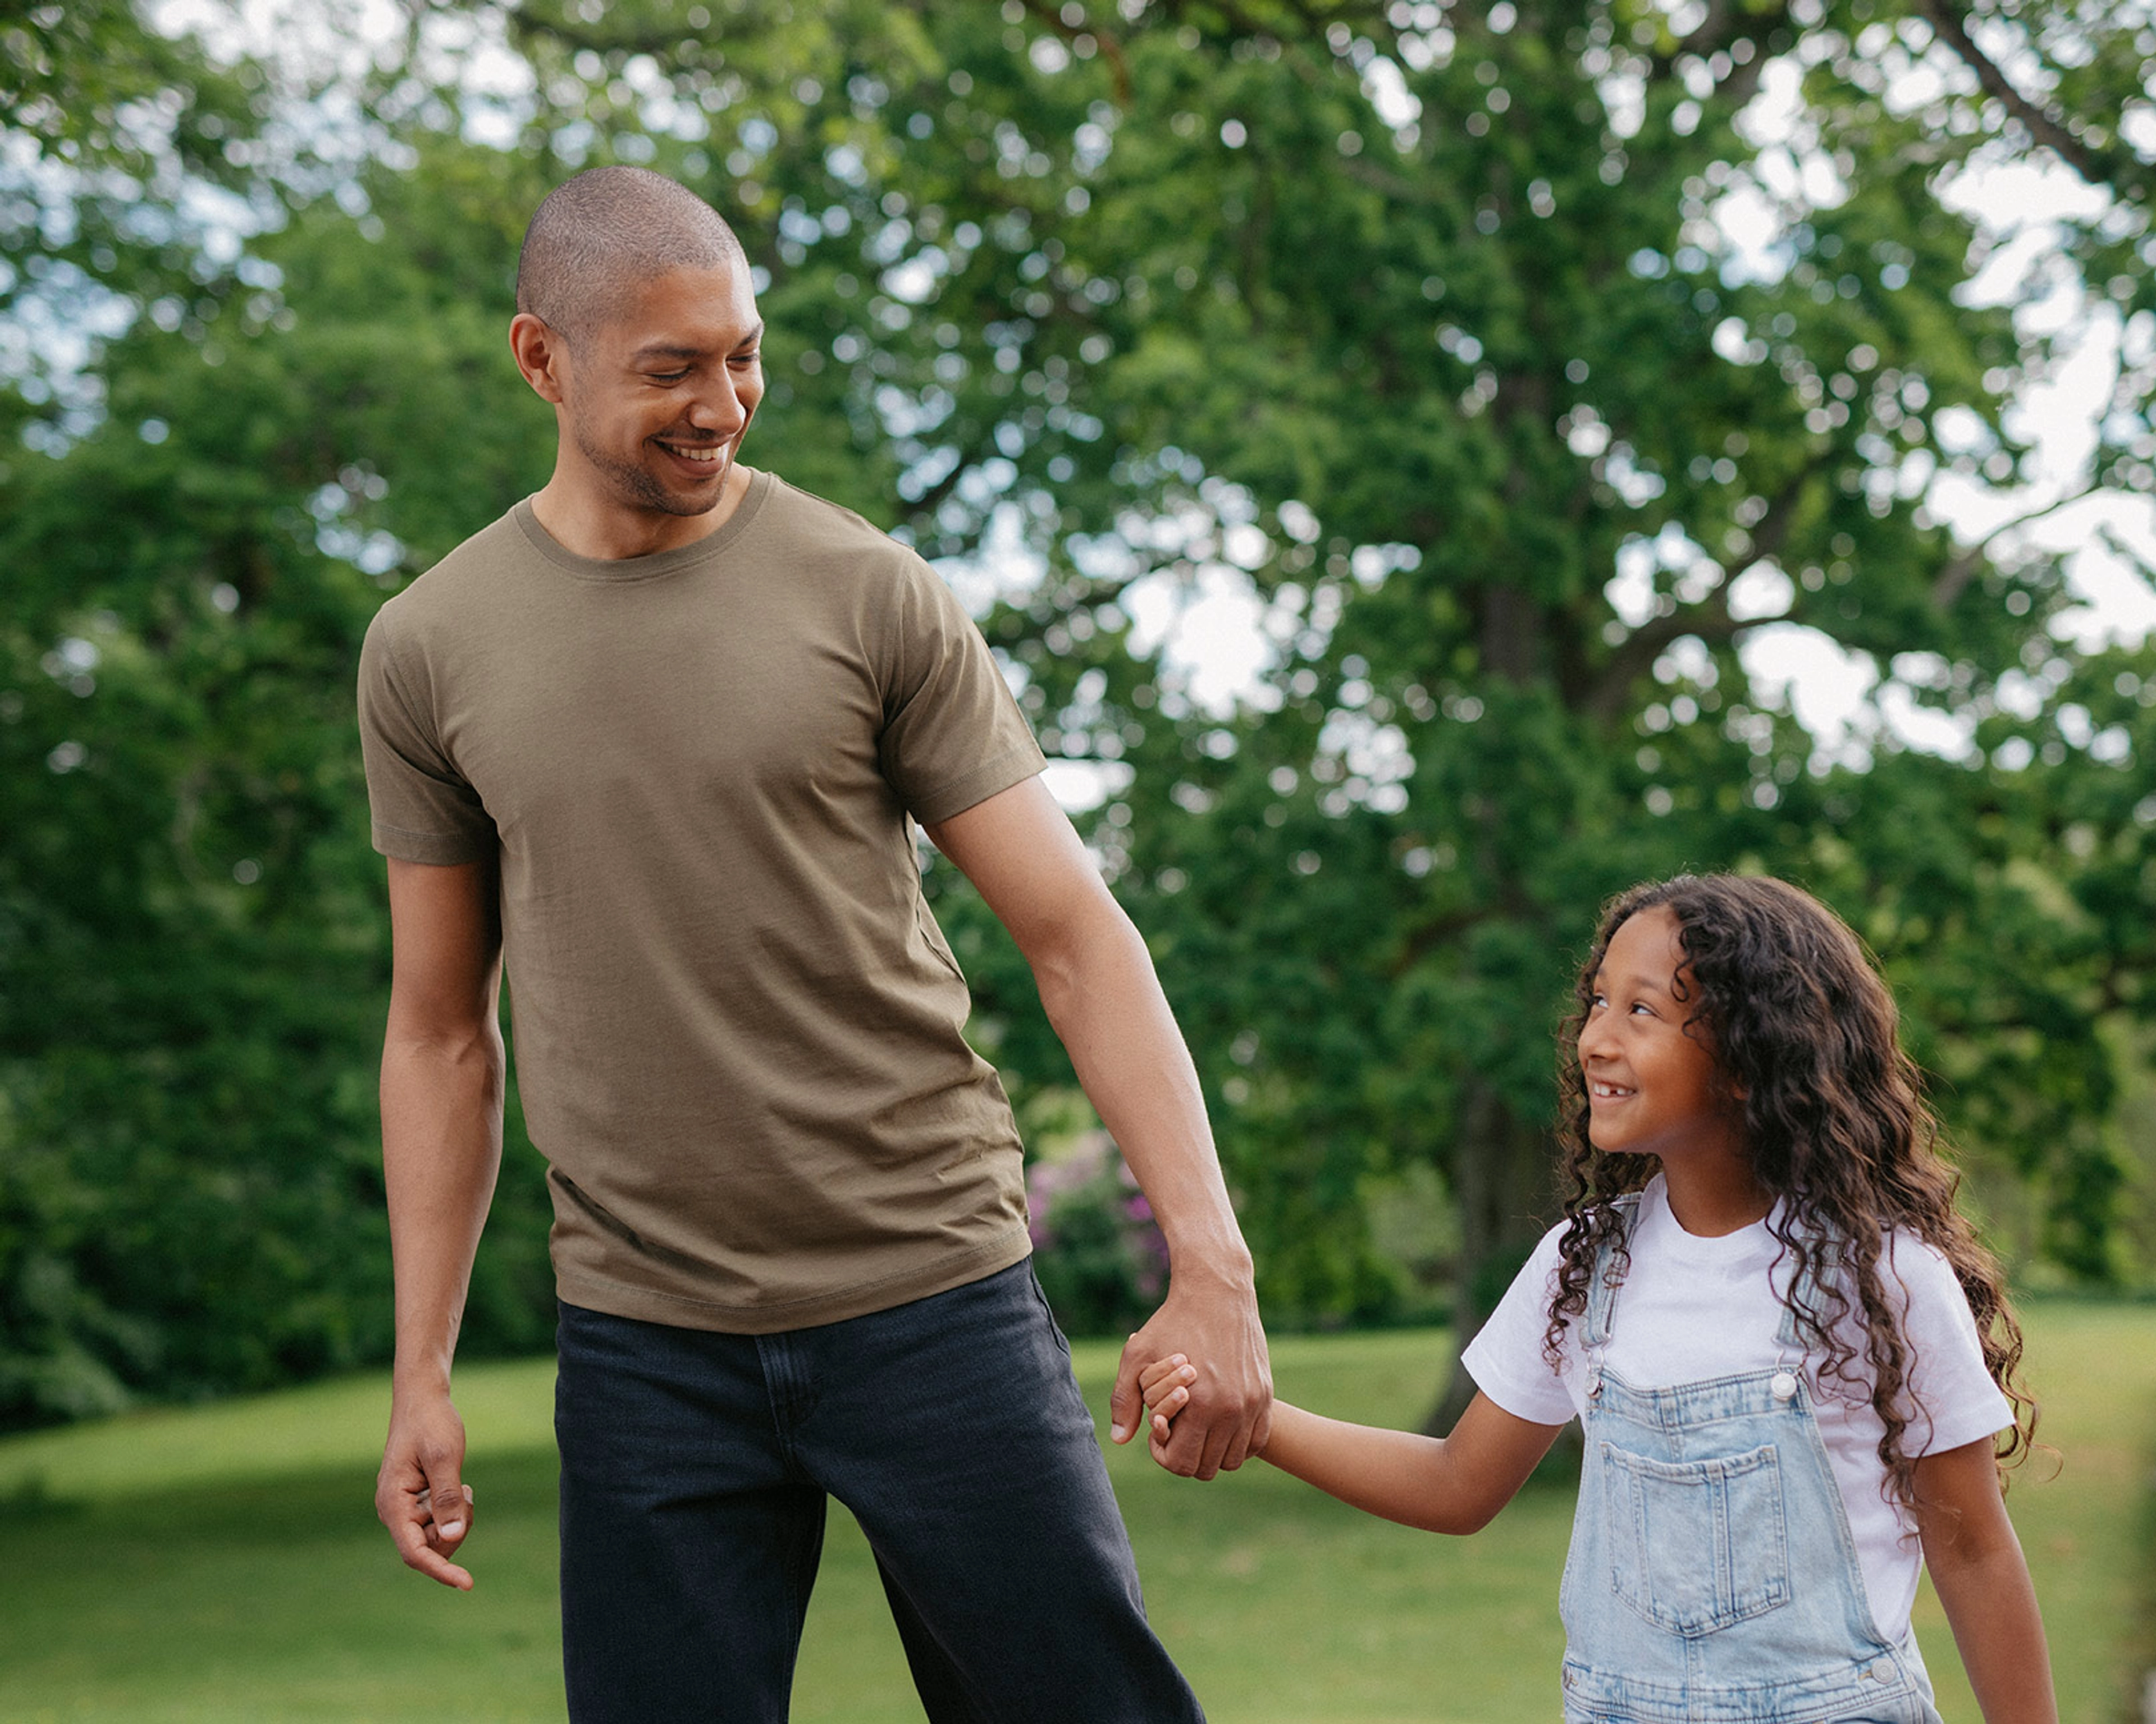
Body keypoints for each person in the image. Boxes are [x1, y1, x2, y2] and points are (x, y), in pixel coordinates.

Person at [356, 164, 1269, 1724]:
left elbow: (1072, 933)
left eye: (745, 353)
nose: (726, 403)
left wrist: (1214, 1258)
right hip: (646, 1345)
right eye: (672, 368)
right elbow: (444, 1029)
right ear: (541, 358)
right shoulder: (430, 648)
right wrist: (420, 1367)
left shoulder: (865, 590)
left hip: (934, 1295)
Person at [1142, 874, 2055, 1723]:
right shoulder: (1583, 1269)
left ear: (1750, 1056)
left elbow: (1972, 1548)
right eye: (1598, 1002)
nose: (1595, 1038)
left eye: (1643, 1009)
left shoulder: (1882, 1277)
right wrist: (1257, 1422)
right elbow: (1459, 1483)